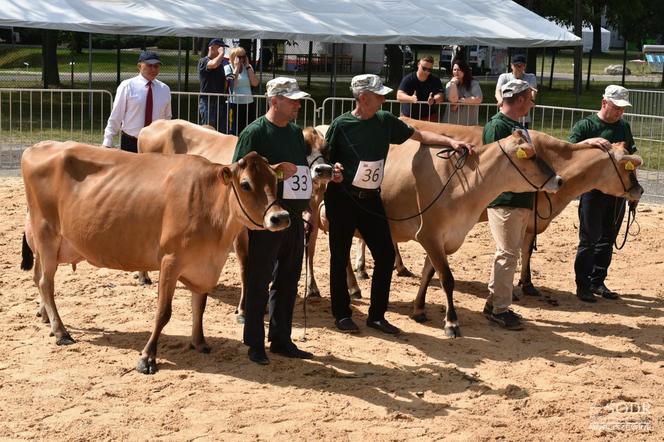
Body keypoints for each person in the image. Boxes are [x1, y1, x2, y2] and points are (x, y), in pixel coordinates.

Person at [325, 74, 473, 335]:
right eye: (378, 94)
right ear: (363, 98)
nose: (383, 98)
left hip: (371, 200)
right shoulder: (341, 124)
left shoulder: (385, 121)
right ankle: (342, 314)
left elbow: (421, 136)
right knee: (339, 257)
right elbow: (325, 159)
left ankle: (377, 315)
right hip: (342, 200)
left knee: (385, 255)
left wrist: (451, 142)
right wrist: (332, 170)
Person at [231, 77, 314, 365]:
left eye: (297, 100)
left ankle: (280, 339)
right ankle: (254, 342)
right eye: (292, 100)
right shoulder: (254, 133)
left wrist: (305, 209)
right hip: (265, 220)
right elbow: (240, 176)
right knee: (259, 280)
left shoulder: (294, 133)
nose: (298, 104)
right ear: (275, 100)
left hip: (292, 216)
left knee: (288, 279)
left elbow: (301, 173)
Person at [570, 85, 637, 302]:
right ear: (604, 103)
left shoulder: (624, 127)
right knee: (588, 239)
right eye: (616, 107)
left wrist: (633, 190)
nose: (619, 112)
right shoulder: (586, 126)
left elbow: (630, 160)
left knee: (608, 238)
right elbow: (567, 152)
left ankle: (598, 281)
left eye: (622, 108)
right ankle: (583, 285)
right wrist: (587, 142)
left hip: (617, 192)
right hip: (592, 192)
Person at [483, 79, 537, 331]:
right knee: (507, 254)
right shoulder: (497, 126)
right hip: (505, 199)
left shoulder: (517, 126)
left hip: (520, 197)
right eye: (529, 99)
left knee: (509, 253)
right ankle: (500, 310)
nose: (531, 103)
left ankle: (494, 301)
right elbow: (497, 165)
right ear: (518, 99)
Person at [103, 51, 171, 151]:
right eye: (149, 65)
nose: (153, 69)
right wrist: (107, 142)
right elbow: (116, 115)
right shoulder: (127, 86)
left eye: (156, 66)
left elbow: (167, 118)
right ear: (139, 66)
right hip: (131, 143)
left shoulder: (164, 89)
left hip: (156, 144)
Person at [397, 56, 444, 121]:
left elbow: (440, 95)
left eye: (429, 69)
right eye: (424, 68)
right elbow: (399, 95)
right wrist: (411, 98)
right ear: (418, 65)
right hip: (408, 117)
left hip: (429, 118)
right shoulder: (408, 79)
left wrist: (434, 100)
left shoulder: (435, 80)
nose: (427, 71)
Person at [495, 54, 537, 128]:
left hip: (523, 116)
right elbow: (498, 91)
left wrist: (532, 100)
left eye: (521, 65)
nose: (518, 68)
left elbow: (532, 91)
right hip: (506, 114)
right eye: (516, 65)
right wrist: (500, 100)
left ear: (525, 66)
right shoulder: (503, 76)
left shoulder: (531, 77)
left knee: (523, 137)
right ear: (511, 66)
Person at [225, 46, 259, 135]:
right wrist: (236, 68)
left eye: (243, 56)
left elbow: (255, 83)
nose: (242, 59)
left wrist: (247, 67)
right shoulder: (227, 67)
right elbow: (232, 84)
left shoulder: (248, 67)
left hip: (249, 102)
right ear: (233, 57)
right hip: (235, 103)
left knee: (249, 128)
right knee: (236, 129)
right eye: (239, 57)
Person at [198, 38, 229, 131]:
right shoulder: (203, 61)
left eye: (223, 48)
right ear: (211, 48)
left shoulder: (220, 64)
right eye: (220, 47)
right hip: (208, 101)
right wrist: (221, 54)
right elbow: (213, 64)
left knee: (221, 130)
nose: (222, 49)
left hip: (220, 101)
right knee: (209, 129)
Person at [443, 58, 483, 125]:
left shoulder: (473, 83)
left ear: (464, 70)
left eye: (459, 70)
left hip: (468, 124)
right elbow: (453, 100)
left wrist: (460, 101)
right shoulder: (449, 84)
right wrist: (453, 84)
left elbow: (478, 99)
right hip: (450, 123)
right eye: (454, 70)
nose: (456, 72)